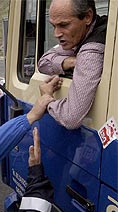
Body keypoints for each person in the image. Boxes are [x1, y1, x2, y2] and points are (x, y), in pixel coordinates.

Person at [38, 0, 107, 129]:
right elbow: (43, 62)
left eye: (64, 25)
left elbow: (70, 118)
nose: (56, 34)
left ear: (87, 17)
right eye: (54, 26)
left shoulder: (91, 52)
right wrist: (67, 62)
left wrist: (47, 98)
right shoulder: (82, 34)